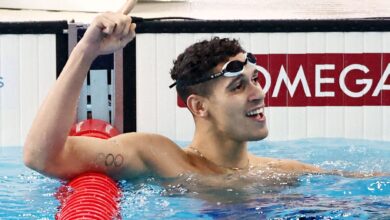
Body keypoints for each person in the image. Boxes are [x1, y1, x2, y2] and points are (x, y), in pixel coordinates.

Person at [23, 0, 339, 182]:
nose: (258, 93)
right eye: (238, 86)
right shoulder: (160, 157)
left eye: (255, 80)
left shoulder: (282, 174)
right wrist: (87, 50)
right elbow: (42, 157)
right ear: (199, 107)